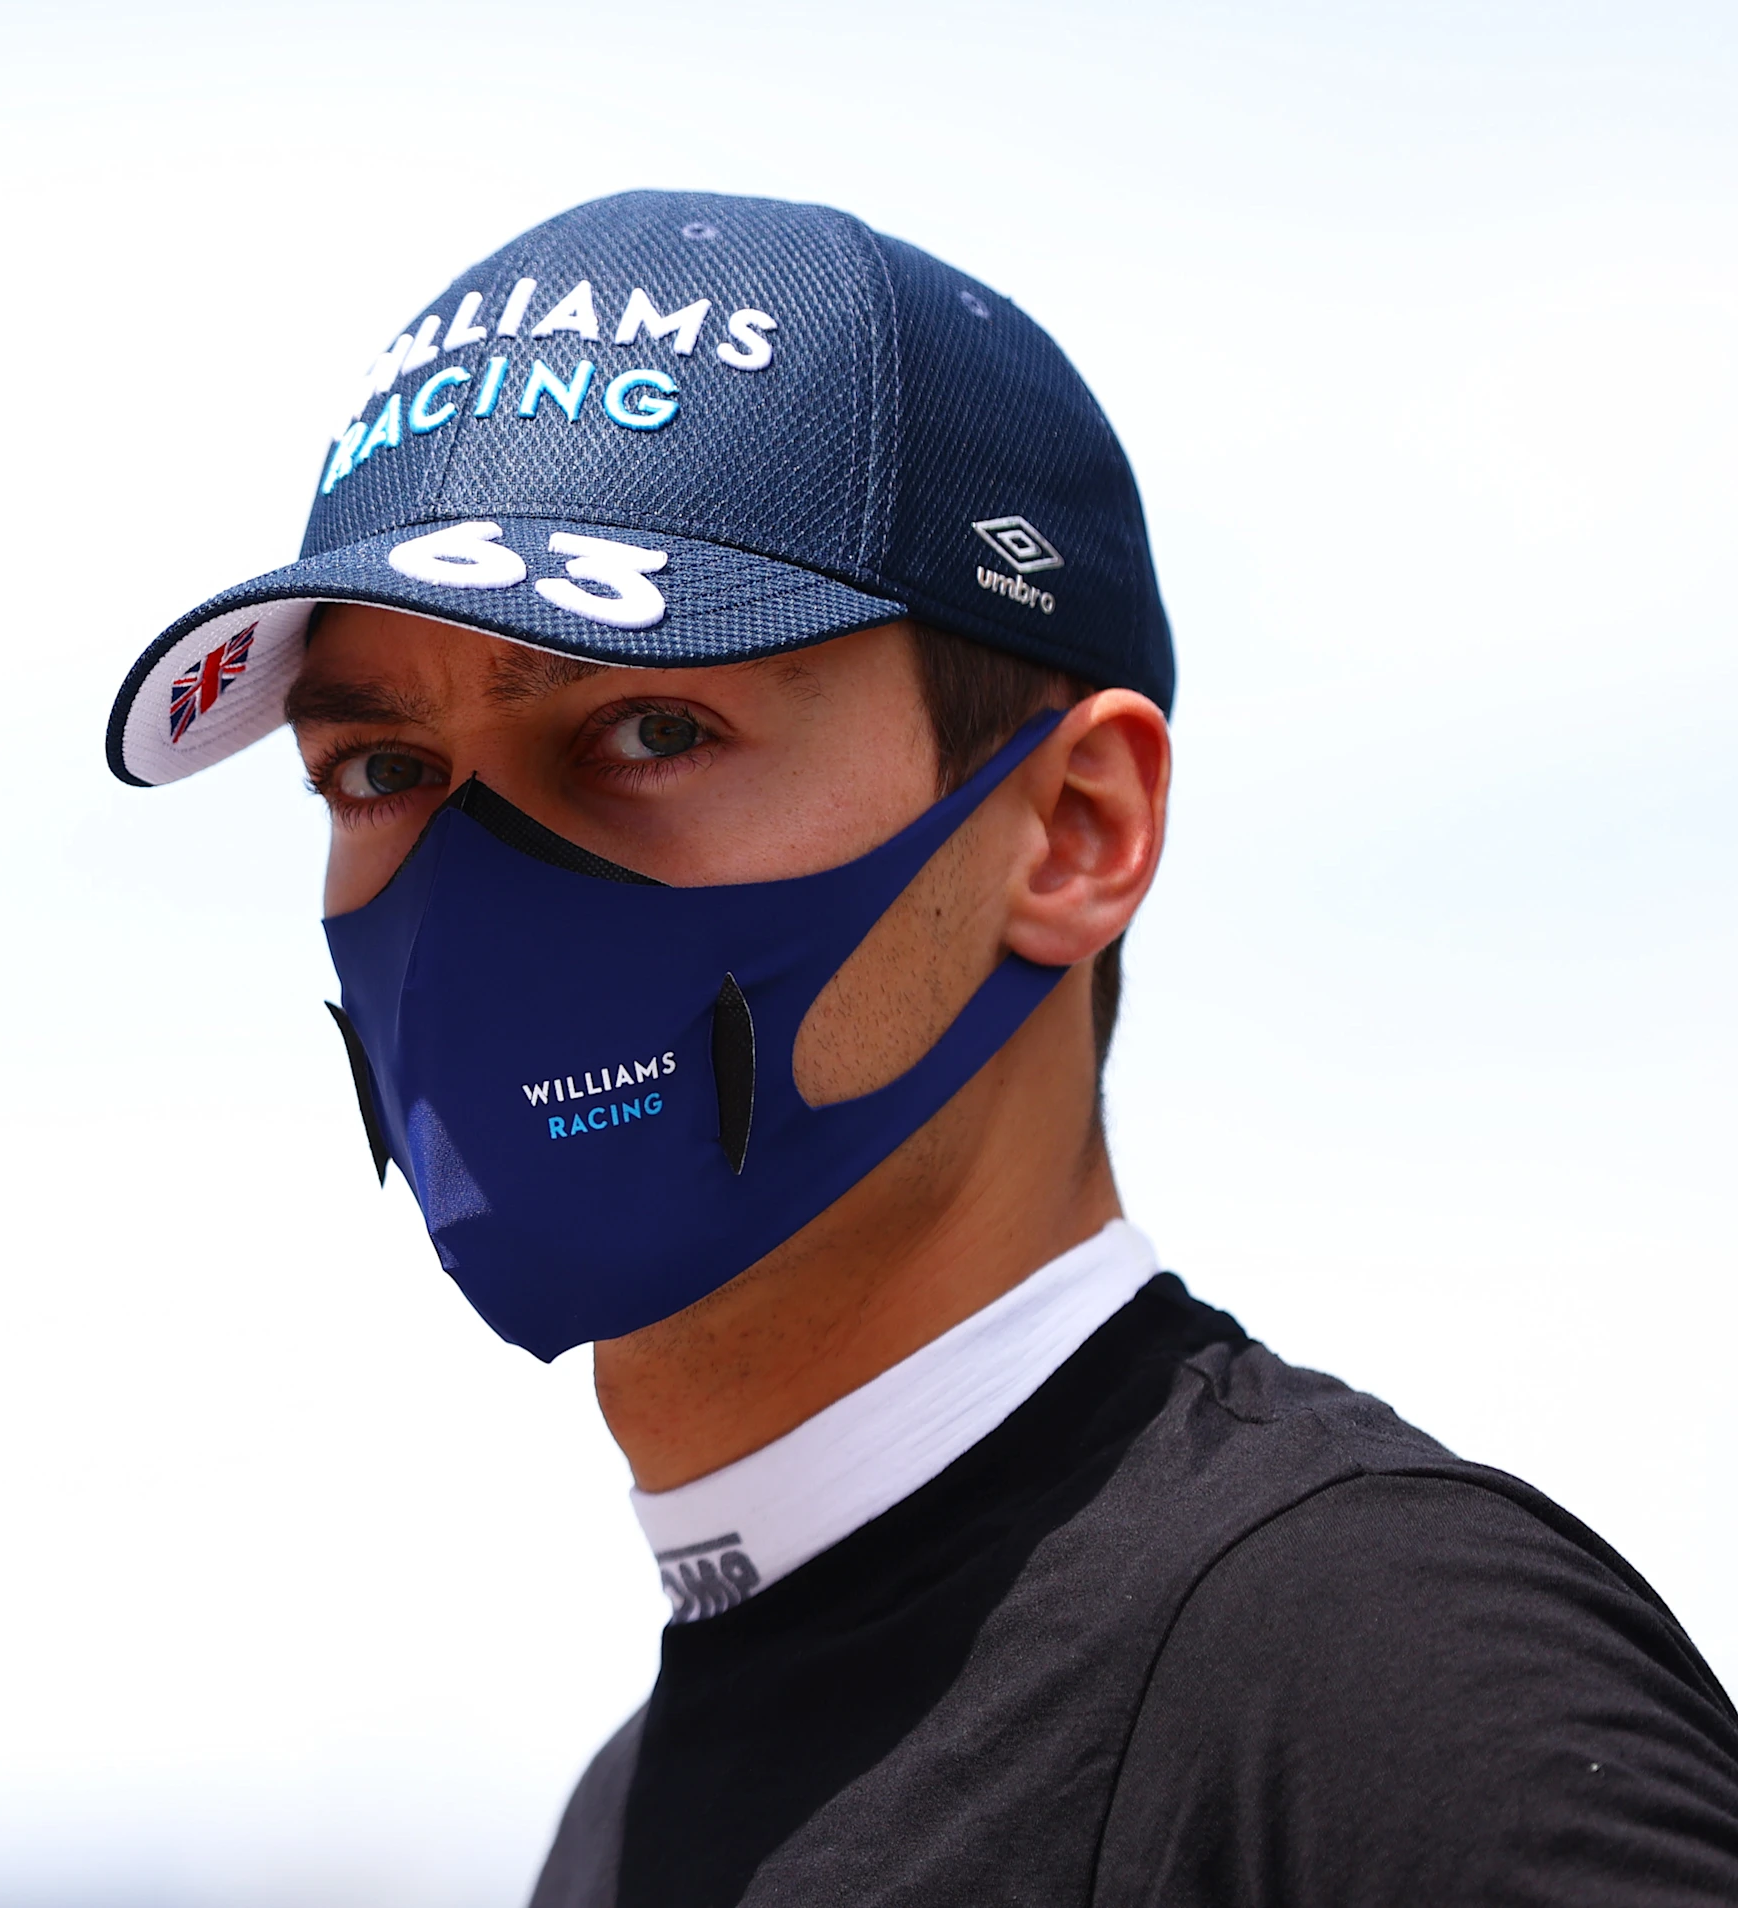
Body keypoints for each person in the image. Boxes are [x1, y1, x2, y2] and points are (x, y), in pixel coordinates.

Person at [99, 190, 1738, 1905]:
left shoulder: (1376, 1689)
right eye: (375, 771)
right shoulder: (625, 1829)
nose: (472, 893)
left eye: (650, 726)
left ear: (1074, 828)